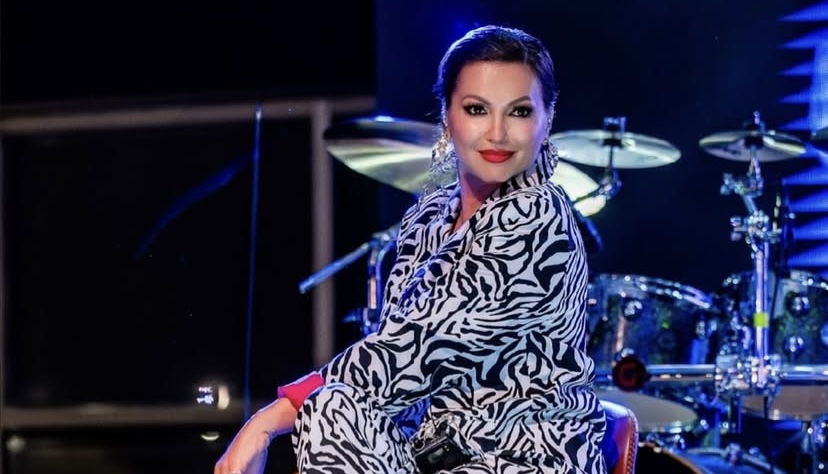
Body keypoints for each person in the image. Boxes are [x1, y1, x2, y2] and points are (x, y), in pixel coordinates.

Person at [215, 24, 607, 474]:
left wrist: (268, 420)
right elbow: (393, 357)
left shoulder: (538, 214)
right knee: (331, 410)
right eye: (477, 109)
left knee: (326, 403)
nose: (497, 132)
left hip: (524, 459)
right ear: (447, 116)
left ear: (547, 118)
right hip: (433, 456)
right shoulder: (429, 215)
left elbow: (418, 352)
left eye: (519, 111)